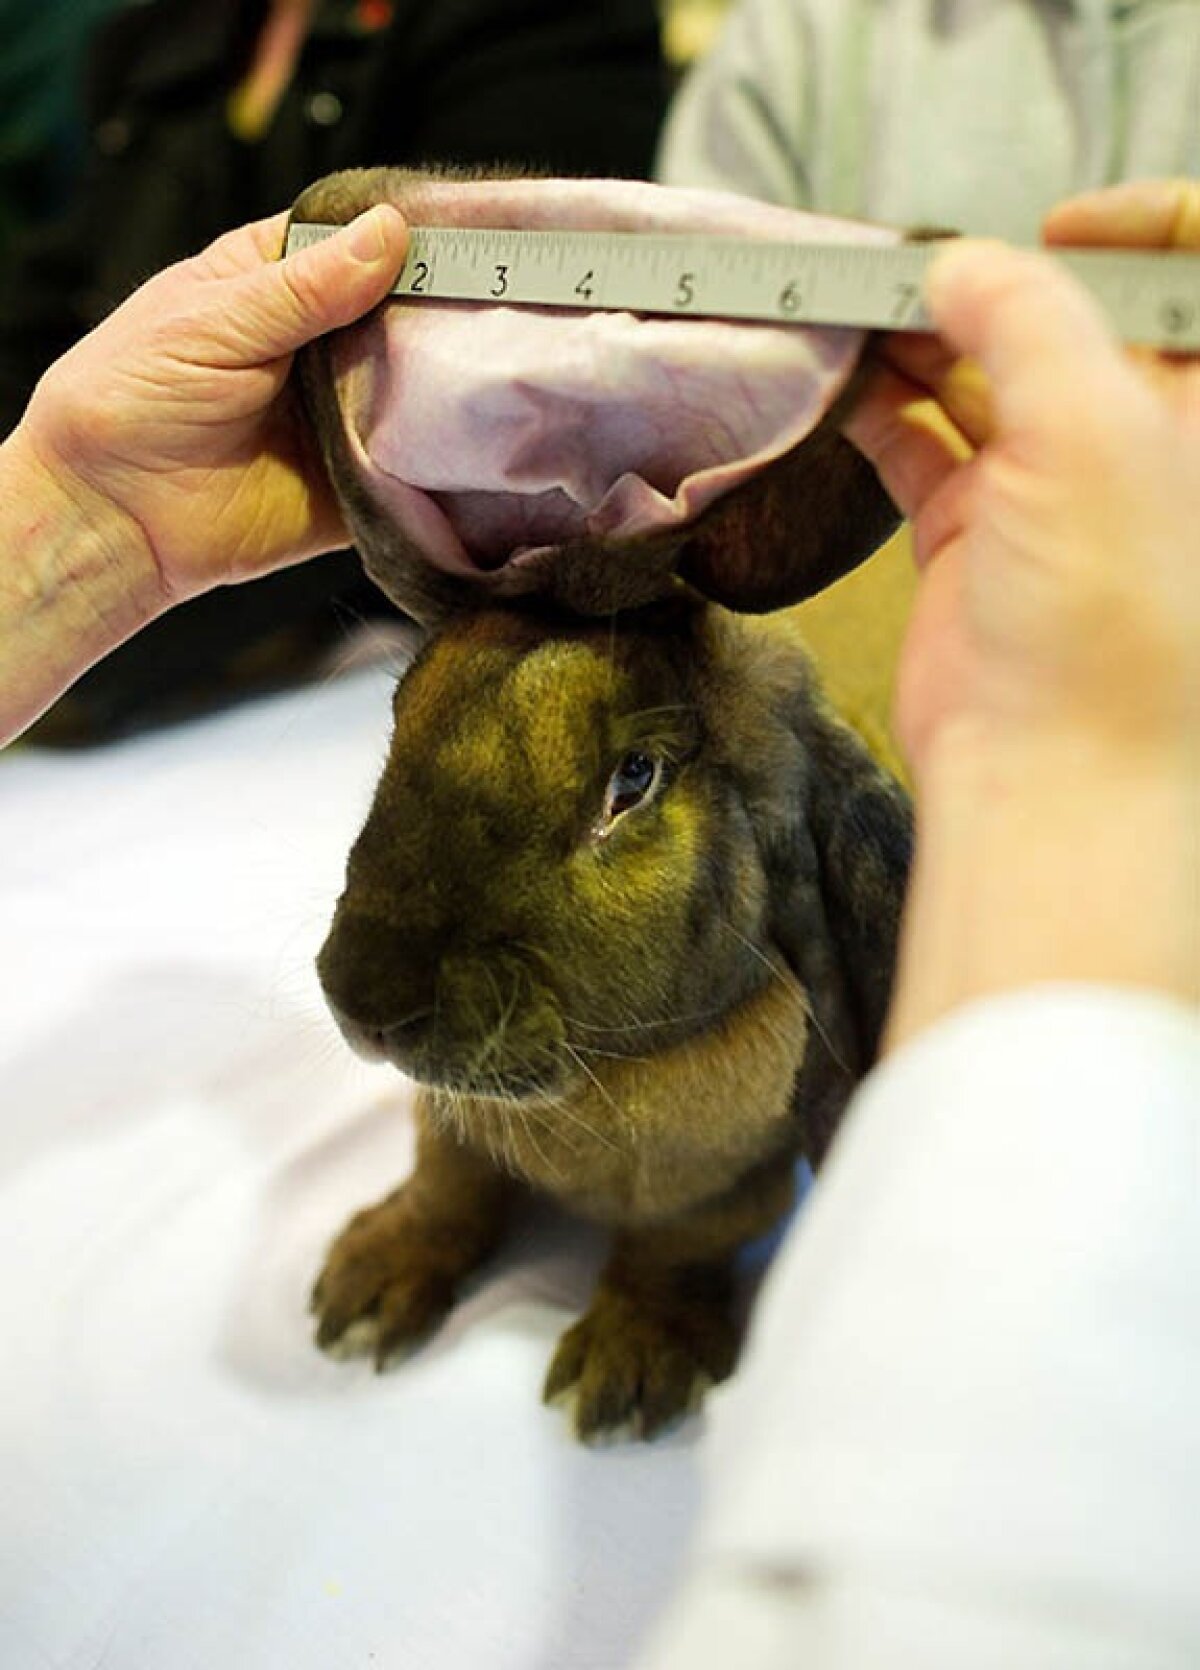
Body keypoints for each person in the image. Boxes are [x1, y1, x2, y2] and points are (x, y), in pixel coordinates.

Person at [0, 175, 1196, 1662]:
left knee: (697, 1186)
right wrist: (449, 1199)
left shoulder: (775, 825)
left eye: (625, 786)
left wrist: (670, 1274)